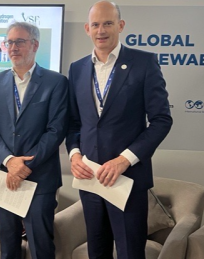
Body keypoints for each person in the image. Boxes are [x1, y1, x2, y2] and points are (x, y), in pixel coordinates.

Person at [65, 1, 173, 258]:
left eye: (108, 23)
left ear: (121, 25)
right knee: (97, 251)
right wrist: (74, 154)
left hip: (128, 179)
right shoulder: (77, 69)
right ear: (87, 29)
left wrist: (125, 160)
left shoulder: (144, 63)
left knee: (130, 252)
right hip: (90, 179)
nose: (101, 30)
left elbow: (161, 120)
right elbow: (73, 123)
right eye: (95, 25)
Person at [0, 22, 68, 259]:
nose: (13, 47)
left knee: (41, 247)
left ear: (35, 45)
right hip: (3, 174)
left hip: (39, 178)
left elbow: (56, 130)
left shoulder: (56, 82)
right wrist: (10, 161)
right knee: (8, 248)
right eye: (9, 42)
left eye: (20, 41)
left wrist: (24, 165)